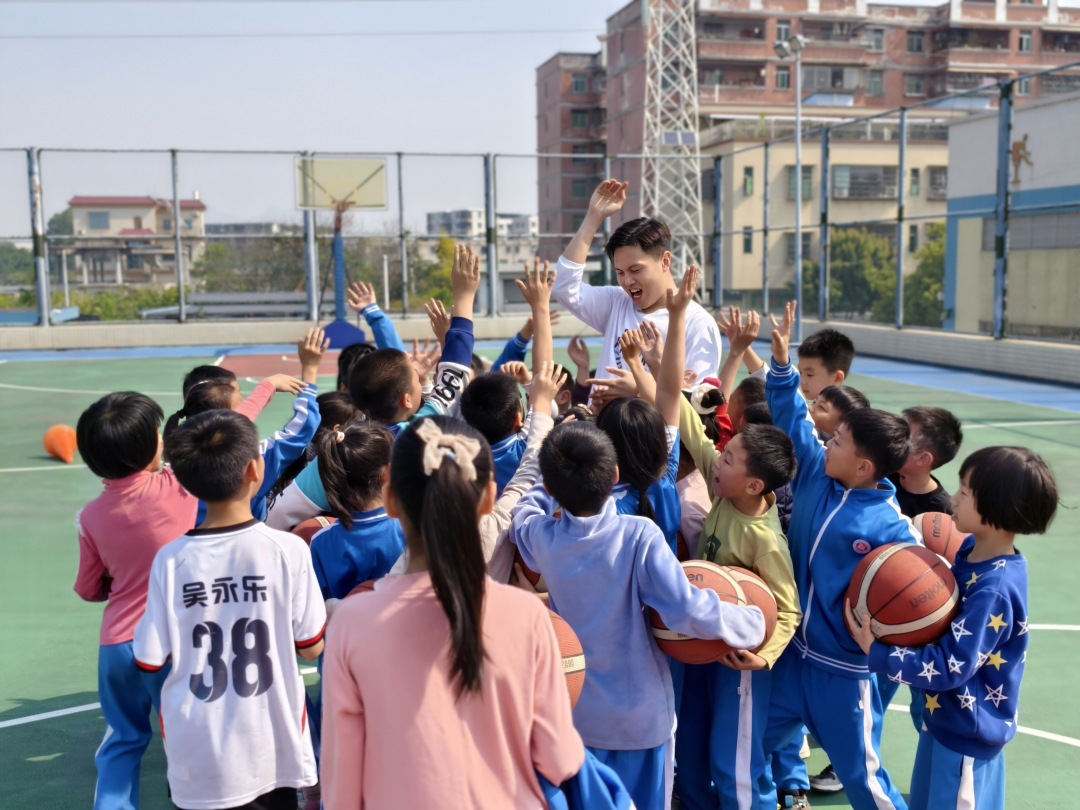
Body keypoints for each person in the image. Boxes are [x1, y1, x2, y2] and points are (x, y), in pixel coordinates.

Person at [512, 276, 767, 810]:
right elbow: (684, 606)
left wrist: (549, 466)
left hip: (572, 708)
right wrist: (750, 622)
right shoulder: (651, 511)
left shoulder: (542, 535)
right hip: (639, 715)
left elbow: (528, 499)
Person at [320, 417, 588, 808]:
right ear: (487, 496)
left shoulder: (352, 622)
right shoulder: (527, 616)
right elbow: (558, 758)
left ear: (391, 498)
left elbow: (342, 785)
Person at [764, 301, 919, 810]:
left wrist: (884, 643)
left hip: (843, 671)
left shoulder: (891, 526)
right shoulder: (815, 473)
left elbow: (920, 597)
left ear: (864, 465)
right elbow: (789, 414)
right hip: (793, 656)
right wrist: (783, 365)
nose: (828, 441)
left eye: (841, 441)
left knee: (863, 780)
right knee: (746, 744)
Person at [652, 278, 800, 810]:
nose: (720, 457)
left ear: (755, 484)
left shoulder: (765, 539)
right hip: (701, 644)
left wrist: (765, 657)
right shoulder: (721, 481)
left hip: (739, 656)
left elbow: (787, 608)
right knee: (688, 748)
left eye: (731, 457)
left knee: (733, 758)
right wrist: (655, 359)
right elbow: (685, 416)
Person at [133, 410, 326, 810]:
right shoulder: (288, 550)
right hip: (273, 744)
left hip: (198, 750)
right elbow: (311, 647)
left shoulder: (170, 561)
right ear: (255, 470)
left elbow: (149, 659)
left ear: (184, 481)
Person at [847, 446, 1058, 810]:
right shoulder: (972, 551)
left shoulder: (994, 588)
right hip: (945, 720)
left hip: (967, 736)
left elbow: (950, 666)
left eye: (964, 492)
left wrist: (878, 651)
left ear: (995, 509)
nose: (953, 498)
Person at [265, 244, 481, 531]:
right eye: (417, 379)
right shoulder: (414, 432)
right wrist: (464, 298)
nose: (421, 378)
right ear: (406, 400)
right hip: (383, 551)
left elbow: (277, 517)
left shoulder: (344, 444)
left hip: (308, 547)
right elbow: (455, 371)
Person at [73, 392, 198, 810]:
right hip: (170, 640)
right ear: (150, 448)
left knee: (124, 738)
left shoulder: (90, 516)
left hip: (118, 647)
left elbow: (89, 588)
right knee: (184, 730)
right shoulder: (177, 486)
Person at [552, 179, 722, 392]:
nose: (627, 281)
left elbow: (699, 405)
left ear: (665, 261)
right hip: (599, 424)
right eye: (619, 273)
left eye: (635, 270)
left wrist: (640, 390)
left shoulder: (697, 323)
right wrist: (593, 217)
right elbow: (563, 287)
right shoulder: (617, 302)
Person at [166, 328, 328, 523]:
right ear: (253, 472)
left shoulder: (173, 470)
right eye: (240, 392)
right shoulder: (248, 460)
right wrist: (309, 371)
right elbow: (302, 428)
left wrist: (267, 387)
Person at [889, 406, 964, 518]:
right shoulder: (878, 475)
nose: (891, 437)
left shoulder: (943, 513)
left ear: (922, 459)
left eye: (902, 437)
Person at [796, 328, 855, 403]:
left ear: (837, 378)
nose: (802, 381)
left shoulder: (846, 414)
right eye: (800, 372)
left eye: (809, 374)